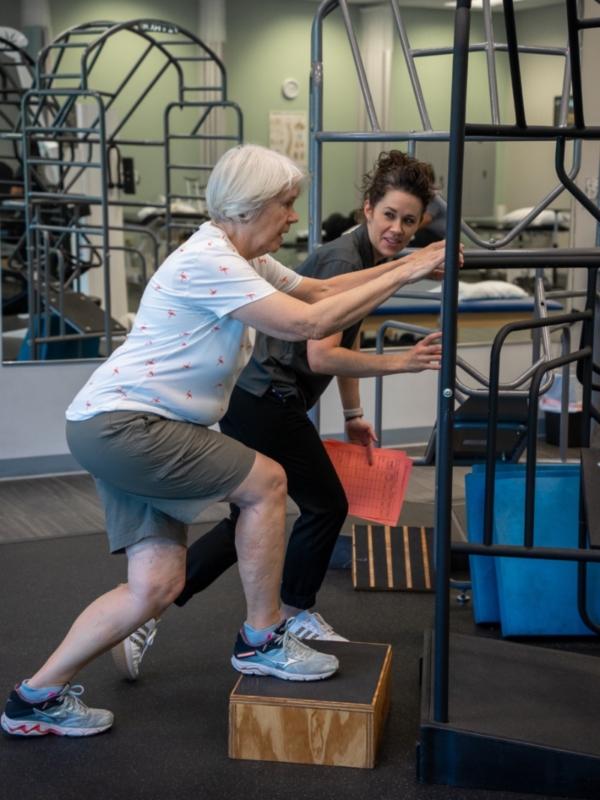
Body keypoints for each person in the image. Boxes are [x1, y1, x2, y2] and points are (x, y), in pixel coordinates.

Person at [1, 145, 447, 737]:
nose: (293, 218)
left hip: (117, 425)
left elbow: (315, 292)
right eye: (286, 205)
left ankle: (34, 698)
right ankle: (262, 638)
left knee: (155, 588)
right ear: (249, 206)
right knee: (267, 483)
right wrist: (410, 269)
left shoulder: (245, 258)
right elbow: (309, 326)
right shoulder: (211, 260)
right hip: (127, 425)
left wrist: (405, 266)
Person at [113, 150, 451, 681]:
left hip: (268, 396)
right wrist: (402, 360)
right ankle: (291, 617)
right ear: (368, 208)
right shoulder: (343, 258)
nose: (398, 228)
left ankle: (143, 612)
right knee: (324, 504)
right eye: (389, 214)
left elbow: (344, 332)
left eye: (410, 220)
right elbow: (320, 346)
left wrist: (355, 412)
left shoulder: (363, 259)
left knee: (249, 517)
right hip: (265, 396)